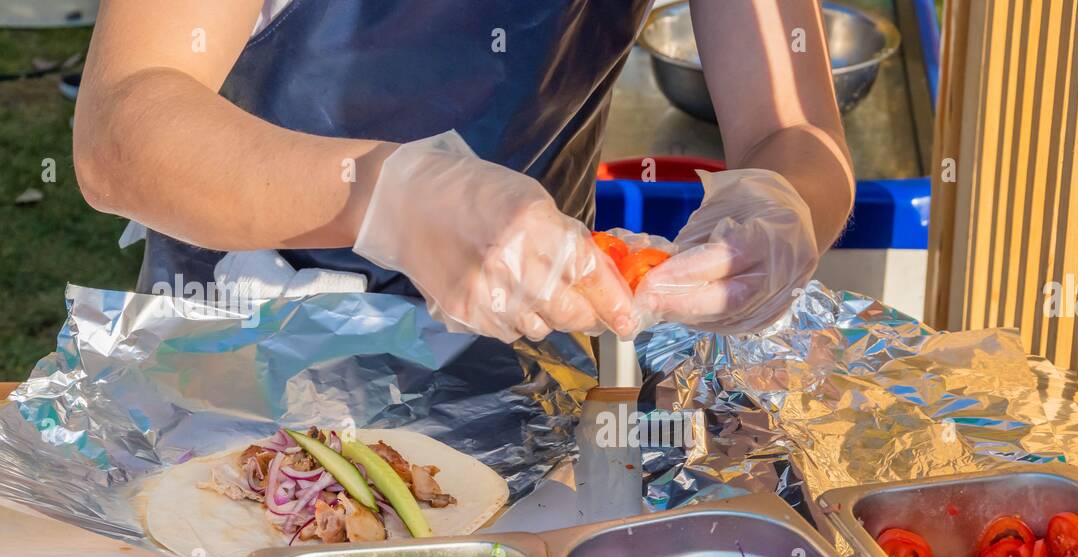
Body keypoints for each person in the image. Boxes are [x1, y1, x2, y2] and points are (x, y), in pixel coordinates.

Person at [73, 0, 854, 343]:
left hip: (527, 357)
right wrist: (387, 198)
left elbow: (792, 128)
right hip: (241, 346)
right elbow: (119, 130)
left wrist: (781, 204)